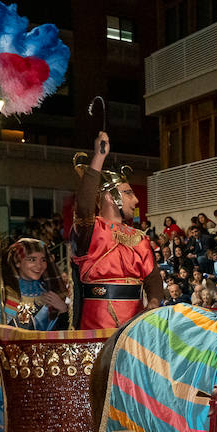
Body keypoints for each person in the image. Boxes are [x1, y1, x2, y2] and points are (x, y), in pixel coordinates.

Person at [0, 238, 67, 432]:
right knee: (9, 420)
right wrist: (6, 359)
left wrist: (63, 311)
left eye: (42, 260)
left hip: (35, 366)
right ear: (17, 262)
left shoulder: (46, 289)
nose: (39, 266)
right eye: (31, 259)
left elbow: (52, 335)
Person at [71, 132, 165, 329]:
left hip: (135, 326)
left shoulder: (140, 238)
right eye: (128, 193)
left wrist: (154, 302)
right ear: (110, 197)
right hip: (97, 323)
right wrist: (99, 157)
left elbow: (153, 278)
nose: (136, 200)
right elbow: (83, 205)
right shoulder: (91, 229)